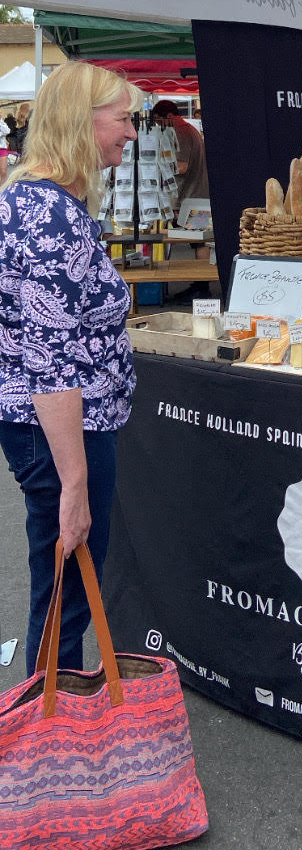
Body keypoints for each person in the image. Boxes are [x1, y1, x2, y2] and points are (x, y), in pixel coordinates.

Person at [0, 62, 141, 674]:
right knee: (65, 591)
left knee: (63, 588)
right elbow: (50, 363)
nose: (132, 133)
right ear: (81, 123)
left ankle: (50, 731)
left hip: (59, 425)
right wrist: (76, 484)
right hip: (62, 430)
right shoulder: (47, 215)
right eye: (124, 118)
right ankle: (47, 741)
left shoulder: (42, 201)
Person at [151, 99, 209, 213]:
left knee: (186, 229)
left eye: (159, 120)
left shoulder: (180, 133)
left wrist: (156, 171)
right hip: (194, 197)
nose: (158, 125)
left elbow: (181, 167)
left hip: (188, 198)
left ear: (169, 116)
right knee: (196, 228)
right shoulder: (189, 129)